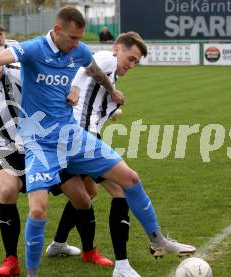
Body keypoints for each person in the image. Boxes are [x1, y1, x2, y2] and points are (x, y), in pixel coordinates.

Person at [0, 7, 196, 277]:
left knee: (129, 178)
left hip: (72, 136)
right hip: (39, 144)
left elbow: (94, 70)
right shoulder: (33, 49)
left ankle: (157, 239)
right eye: (72, 38)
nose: (77, 45)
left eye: (80, 39)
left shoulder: (78, 50)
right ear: (57, 31)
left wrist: (110, 90)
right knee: (37, 211)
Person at [0, 39, 110, 277]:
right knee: (6, 191)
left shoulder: (22, 73)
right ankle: (11, 261)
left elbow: (56, 82)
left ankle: (89, 251)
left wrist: (72, 91)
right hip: (9, 150)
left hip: (46, 144)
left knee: (82, 198)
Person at [47, 31, 154, 277]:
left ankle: (59, 243)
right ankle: (122, 266)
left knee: (88, 195)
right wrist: (74, 90)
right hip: (78, 136)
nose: (131, 64)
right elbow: (84, 70)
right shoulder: (107, 57)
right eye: (131, 58)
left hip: (76, 136)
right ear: (118, 48)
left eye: (136, 61)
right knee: (121, 189)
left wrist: (112, 108)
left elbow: (94, 94)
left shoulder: (111, 73)